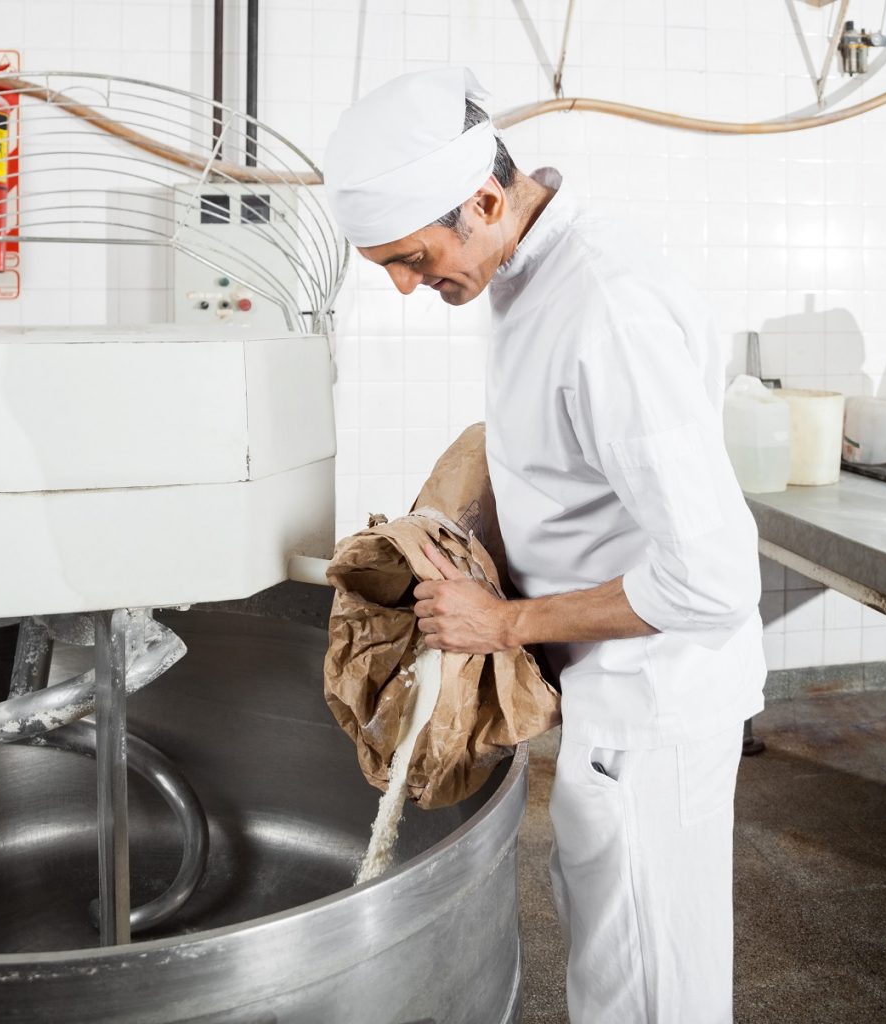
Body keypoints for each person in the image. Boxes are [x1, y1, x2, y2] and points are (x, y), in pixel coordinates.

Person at [324, 67, 766, 1024]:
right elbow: (574, 452)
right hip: (609, 695)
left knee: (648, 990)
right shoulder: (532, 271)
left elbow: (715, 575)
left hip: (656, 702)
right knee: (613, 944)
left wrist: (502, 620)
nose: (405, 286)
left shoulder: (603, 308)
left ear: (484, 198)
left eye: (410, 257)